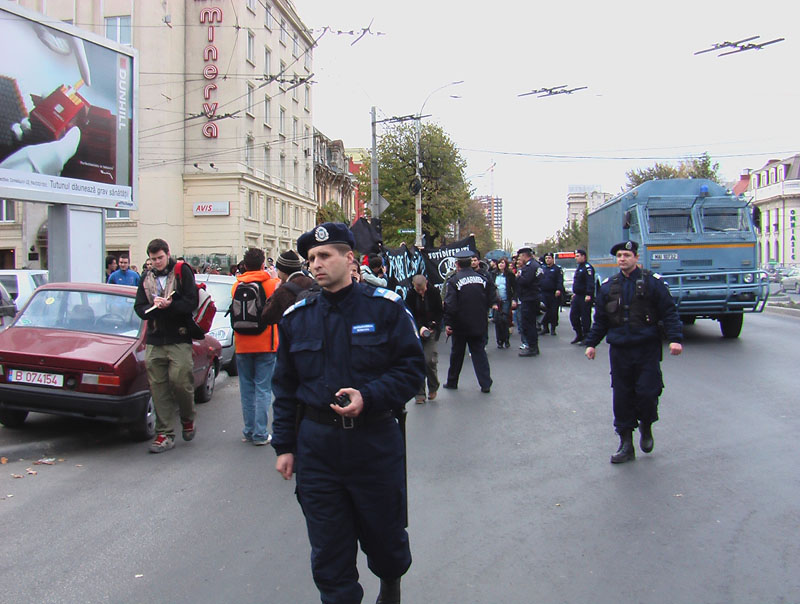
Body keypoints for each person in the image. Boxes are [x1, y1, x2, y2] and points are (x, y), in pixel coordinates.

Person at [271, 222, 425, 604]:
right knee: (329, 551)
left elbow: (411, 370)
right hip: (318, 450)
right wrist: (284, 446)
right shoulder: (297, 318)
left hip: (374, 444)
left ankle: (390, 584)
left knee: (386, 540)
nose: (316, 264)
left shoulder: (386, 308)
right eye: (311, 258)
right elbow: (285, 388)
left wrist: (369, 396)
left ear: (349, 258)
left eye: (325, 256)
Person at [584, 240, 683, 464]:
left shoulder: (652, 283)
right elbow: (600, 319)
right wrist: (591, 343)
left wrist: (675, 339)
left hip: (646, 348)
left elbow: (669, 312)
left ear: (636, 258)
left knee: (648, 392)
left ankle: (646, 425)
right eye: (619, 255)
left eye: (627, 255)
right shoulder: (609, 286)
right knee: (622, 396)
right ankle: (626, 443)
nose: (622, 259)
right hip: (620, 351)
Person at [134, 238, 199, 453]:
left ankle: (187, 418)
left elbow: (191, 302)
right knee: (158, 387)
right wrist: (151, 308)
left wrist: (170, 305)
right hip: (155, 339)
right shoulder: (146, 277)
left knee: (181, 382)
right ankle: (164, 434)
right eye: (153, 259)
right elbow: (139, 307)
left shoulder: (182, 271)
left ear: (168, 254)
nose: (157, 262)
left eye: (160, 258)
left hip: (179, 337)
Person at [232, 247, 281, 446]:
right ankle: (261, 433)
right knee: (263, 389)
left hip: (242, 343)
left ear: (244, 265)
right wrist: (274, 277)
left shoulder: (236, 285)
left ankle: (249, 430)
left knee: (246, 389)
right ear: (263, 264)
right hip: (266, 343)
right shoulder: (272, 284)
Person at [442, 249, 497, 393]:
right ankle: (485, 383)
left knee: (457, 354)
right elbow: (492, 296)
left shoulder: (454, 280)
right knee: (479, 353)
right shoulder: (482, 278)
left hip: (460, 325)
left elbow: (450, 305)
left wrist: (448, 323)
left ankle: (452, 381)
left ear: (457, 264)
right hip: (479, 322)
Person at [404, 274, 443, 403]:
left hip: (431, 330)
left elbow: (439, 311)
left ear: (426, 284)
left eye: (422, 289)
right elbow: (409, 314)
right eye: (418, 290)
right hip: (416, 331)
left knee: (429, 359)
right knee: (418, 361)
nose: (421, 292)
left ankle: (433, 386)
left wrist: (434, 324)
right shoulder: (411, 295)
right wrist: (419, 327)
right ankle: (419, 393)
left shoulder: (434, 292)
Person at [262, 249, 315, 324]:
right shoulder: (313, 282)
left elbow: (267, 316)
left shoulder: (283, 290)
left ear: (283, 271)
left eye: (278, 270)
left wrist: (275, 291)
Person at [515, 247, 543, 357]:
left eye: (520, 256)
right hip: (531, 297)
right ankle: (533, 346)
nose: (519, 258)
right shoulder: (534, 265)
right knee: (529, 323)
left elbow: (526, 281)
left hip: (529, 298)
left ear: (524, 255)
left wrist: (518, 277)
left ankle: (532, 347)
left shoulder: (531, 266)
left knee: (528, 324)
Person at [569, 249, 595, 345]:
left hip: (585, 296)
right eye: (575, 256)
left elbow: (590, 282)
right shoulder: (579, 267)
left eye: (578, 256)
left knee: (585, 317)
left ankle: (586, 336)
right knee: (573, 316)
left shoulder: (587, 268)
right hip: (578, 295)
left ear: (583, 256)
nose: (576, 258)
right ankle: (579, 334)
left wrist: (589, 294)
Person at [492, 257, 517, 349]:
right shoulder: (493, 274)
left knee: (504, 320)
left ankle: (506, 339)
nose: (501, 265)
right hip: (497, 301)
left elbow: (515, 288)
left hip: (506, 300)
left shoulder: (510, 275)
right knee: (497, 321)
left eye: (502, 263)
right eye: (499, 263)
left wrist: (514, 299)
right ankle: (499, 341)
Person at [539, 252, 564, 336]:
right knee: (544, 311)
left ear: (553, 259)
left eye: (549, 258)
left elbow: (560, 280)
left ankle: (553, 328)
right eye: (546, 258)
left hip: (553, 293)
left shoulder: (557, 269)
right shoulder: (542, 269)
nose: (547, 260)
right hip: (544, 293)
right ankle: (545, 328)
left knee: (553, 312)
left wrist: (558, 289)